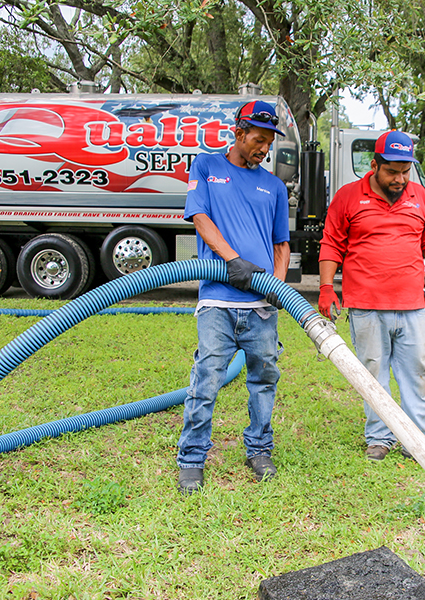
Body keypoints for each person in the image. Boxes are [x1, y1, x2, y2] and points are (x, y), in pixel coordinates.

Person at [176, 100, 291, 494]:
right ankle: (192, 459)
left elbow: (281, 245)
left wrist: (275, 288)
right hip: (218, 301)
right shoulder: (207, 167)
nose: (264, 149)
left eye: (269, 143)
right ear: (239, 133)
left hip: (260, 307)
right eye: (258, 140)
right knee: (206, 378)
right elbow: (201, 218)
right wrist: (232, 260)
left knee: (264, 378)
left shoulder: (274, 186)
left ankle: (259, 449)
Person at [318, 130, 425, 462]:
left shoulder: (418, 195)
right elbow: (331, 243)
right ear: (375, 165)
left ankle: (420, 442)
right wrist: (325, 286)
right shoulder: (348, 196)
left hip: (411, 304)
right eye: (392, 171)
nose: (400, 178)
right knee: (373, 371)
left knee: (419, 371)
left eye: (405, 171)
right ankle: (379, 437)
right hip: (365, 304)